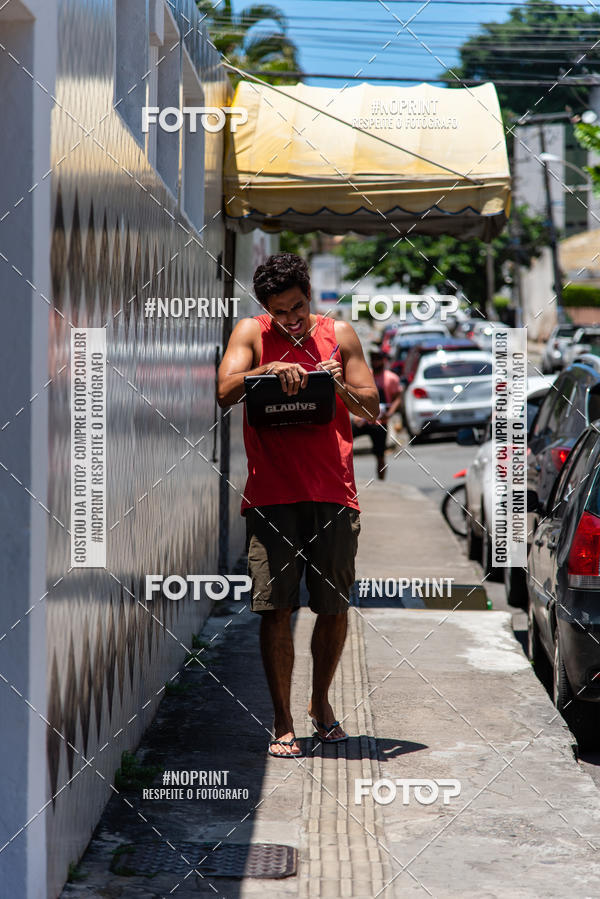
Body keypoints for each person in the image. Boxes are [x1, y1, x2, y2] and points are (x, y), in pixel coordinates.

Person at [217, 253, 379, 758]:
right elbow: (224, 391)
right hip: (271, 496)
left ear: (310, 294)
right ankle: (283, 719)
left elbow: (371, 406)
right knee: (275, 608)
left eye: (298, 307)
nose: (290, 319)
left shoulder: (340, 334)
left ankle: (321, 704)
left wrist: (338, 387)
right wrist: (267, 370)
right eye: (280, 310)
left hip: (333, 492)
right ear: (264, 307)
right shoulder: (251, 332)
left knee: (332, 607)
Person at [351, 347, 402, 480]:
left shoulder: (391, 378)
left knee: (380, 455)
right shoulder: (365, 375)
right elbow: (357, 396)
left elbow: (398, 398)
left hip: (380, 423)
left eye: (378, 359)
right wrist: (357, 415)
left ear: (383, 360)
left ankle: (381, 481)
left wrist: (390, 414)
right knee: (344, 442)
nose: (375, 362)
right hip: (363, 420)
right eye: (373, 359)